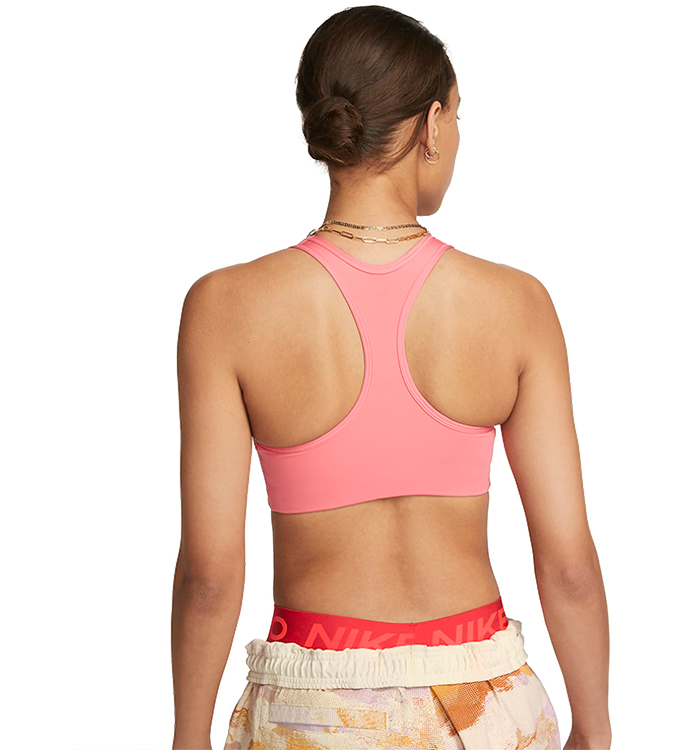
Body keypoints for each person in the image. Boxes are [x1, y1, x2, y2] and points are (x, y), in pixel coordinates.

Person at [171, 6, 611, 750]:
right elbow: (568, 563)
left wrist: (188, 736)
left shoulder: (225, 307)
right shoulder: (516, 304)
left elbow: (210, 575)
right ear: (431, 125)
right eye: (458, 115)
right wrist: (593, 727)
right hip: (486, 703)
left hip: (312, 710)